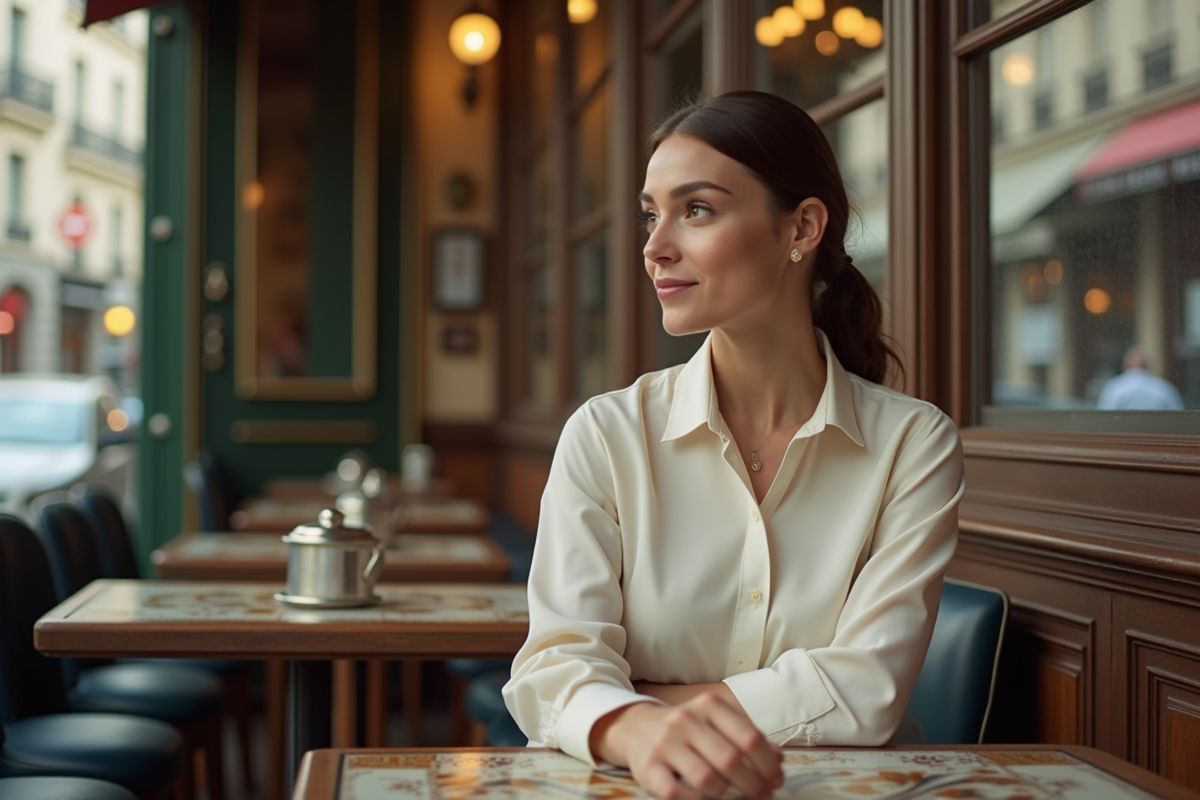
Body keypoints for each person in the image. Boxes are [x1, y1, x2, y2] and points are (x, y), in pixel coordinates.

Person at [502, 91, 965, 800]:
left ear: (802, 228)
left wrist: (633, 708)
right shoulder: (605, 434)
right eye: (651, 214)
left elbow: (866, 694)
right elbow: (552, 671)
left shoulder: (912, 443)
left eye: (696, 210)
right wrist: (641, 729)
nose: (655, 246)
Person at [1097, 346, 1184, 411]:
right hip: (1157, 433)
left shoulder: (1114, 387)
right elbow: (1178, 415)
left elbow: (1104, 417)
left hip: (1123, 433)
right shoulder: (1164, 388)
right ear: (1147, 365)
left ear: (1125, 365)